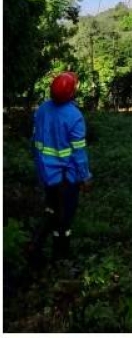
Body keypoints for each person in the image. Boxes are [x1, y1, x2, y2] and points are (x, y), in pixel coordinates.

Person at [29, 72, 92, 262]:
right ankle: (60, 258)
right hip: (66, 178)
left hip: (47, 175)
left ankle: (37, 245)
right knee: (64, 219)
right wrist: (85, 177)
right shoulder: (74, 116)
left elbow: (34, 141)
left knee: (52, 209)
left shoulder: (42, 109)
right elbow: (79, 154)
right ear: (72, 93)